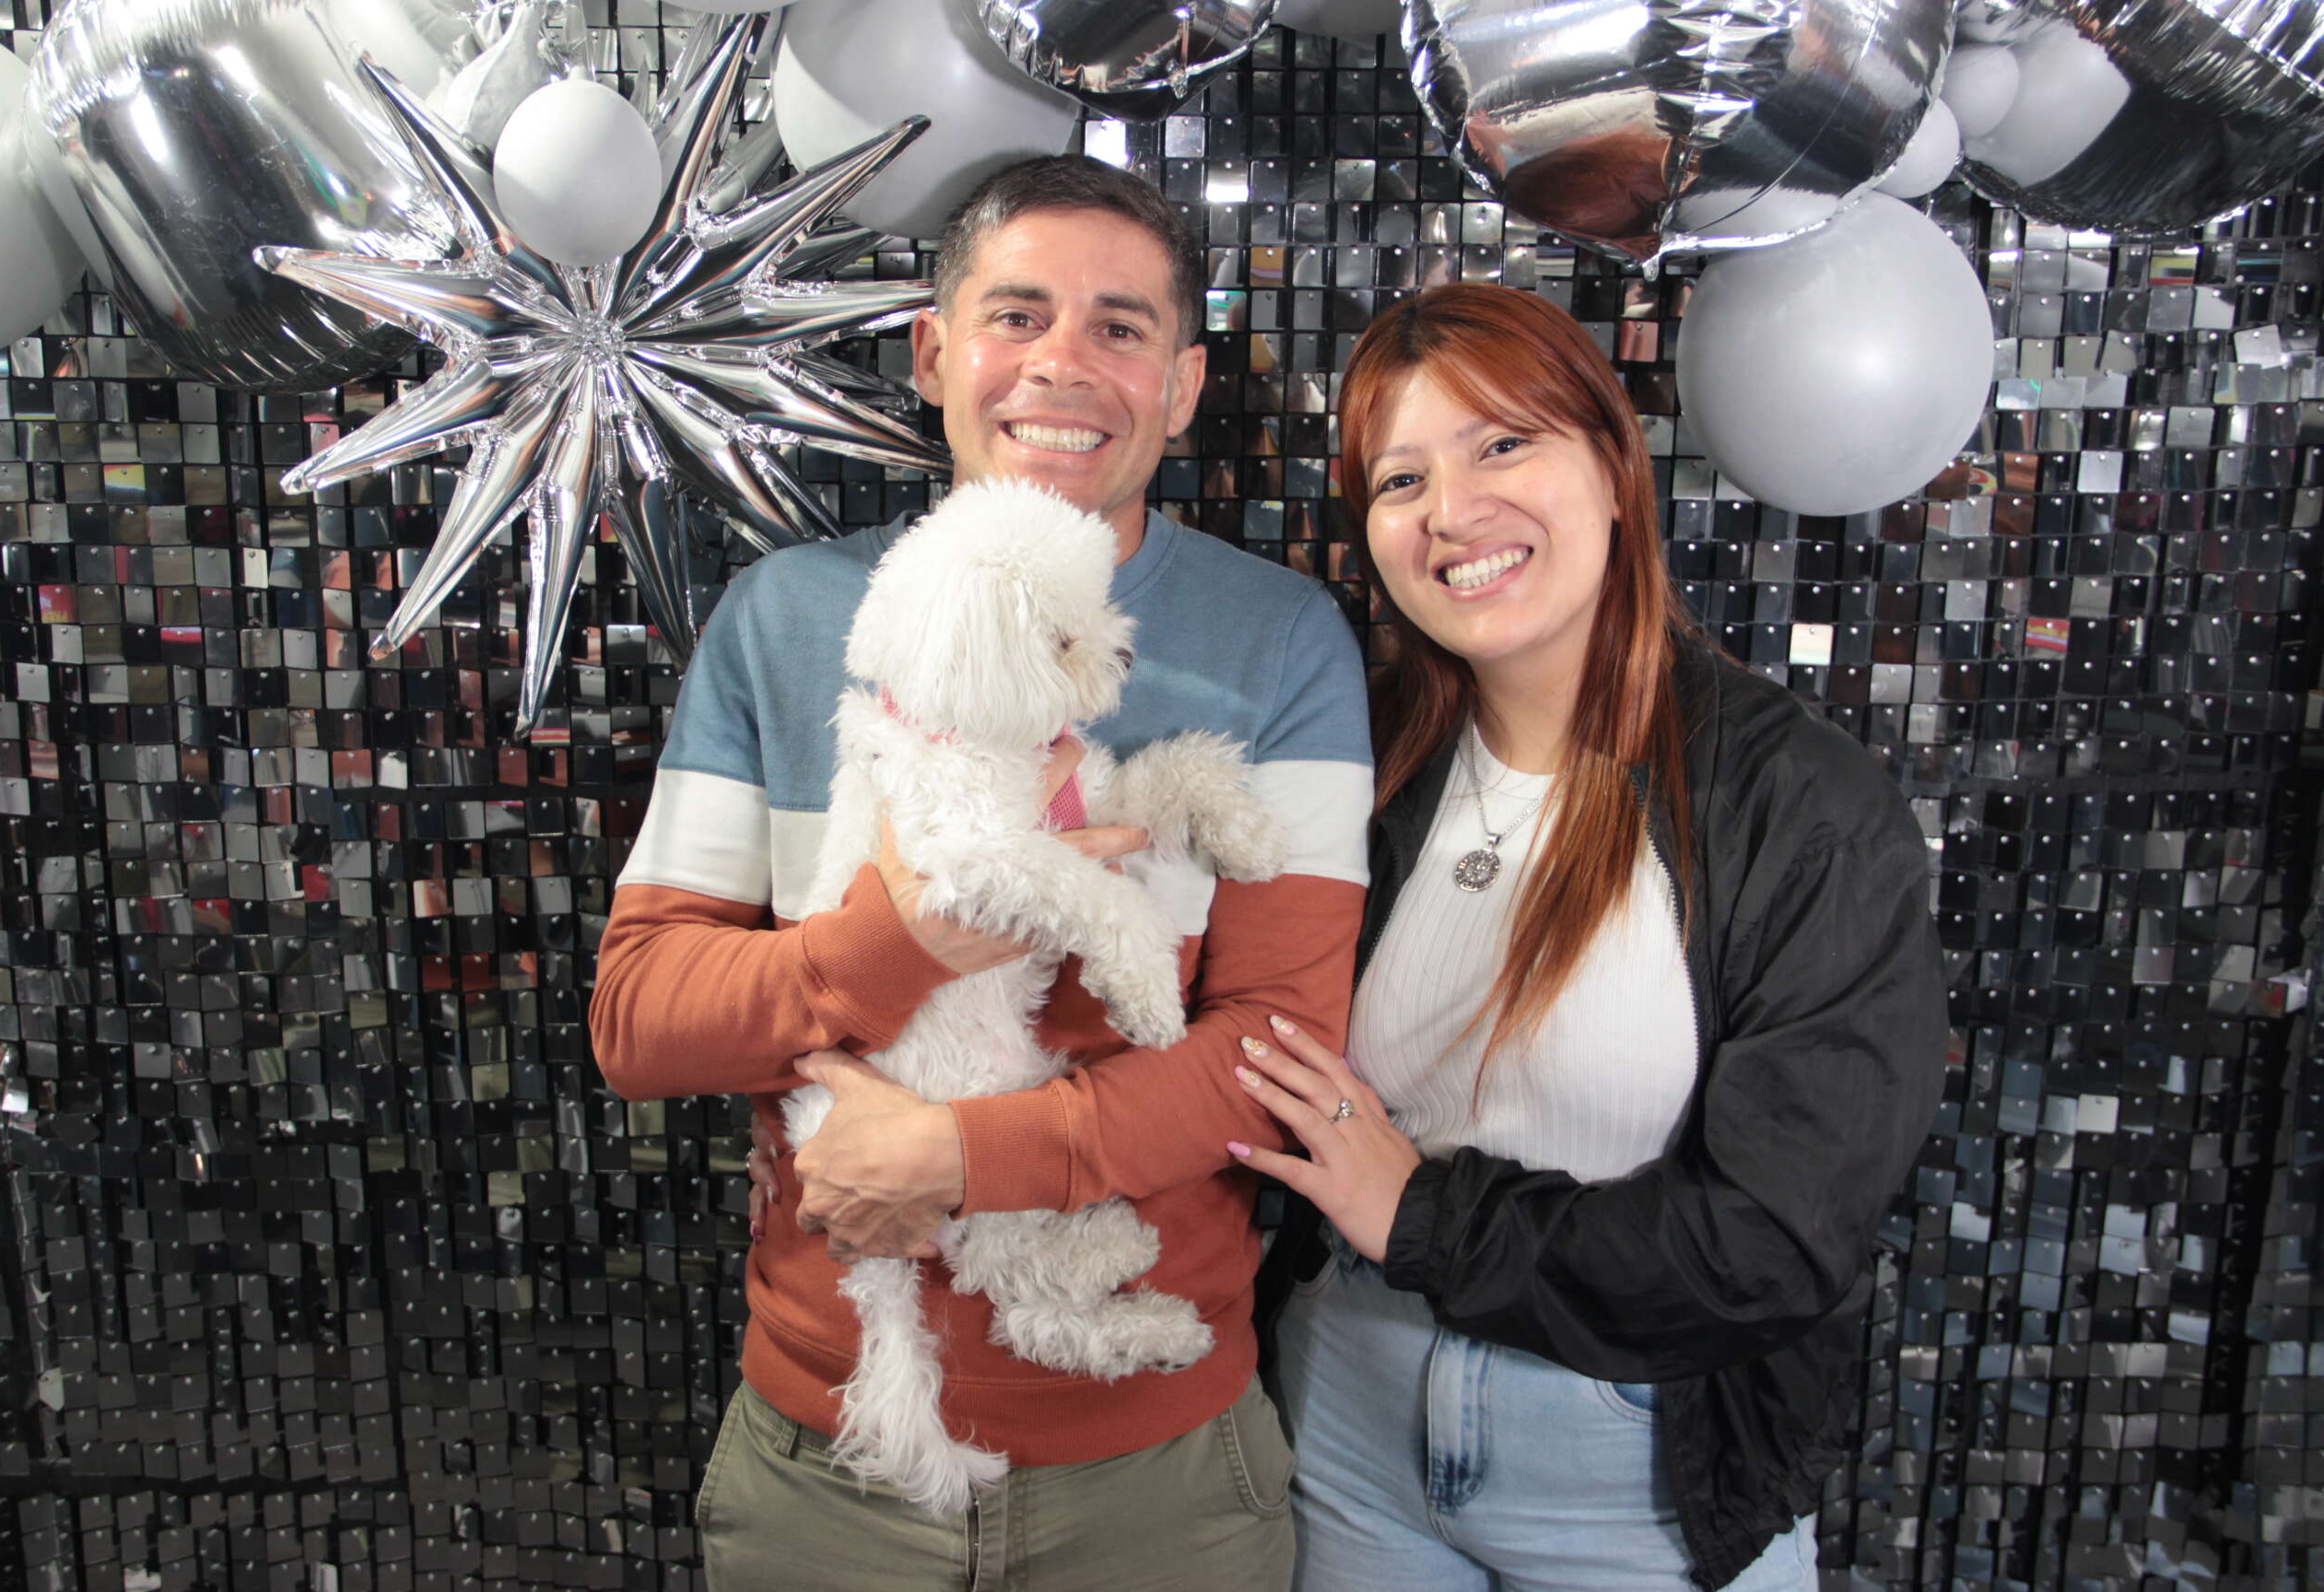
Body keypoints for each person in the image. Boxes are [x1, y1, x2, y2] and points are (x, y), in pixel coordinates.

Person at [588, 155, 1372, 1591]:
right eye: (1017, 315)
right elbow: (640, 1023)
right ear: (934, 352)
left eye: (1120, 327)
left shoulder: (1282, 643)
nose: (1061, 363)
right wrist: (896, 944)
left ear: (1182, 386)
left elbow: (1278, 1054)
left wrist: (951, 1162)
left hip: (1158, 1479)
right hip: (826, 1462)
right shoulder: (784, 621)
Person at [1232, 283, 1947, 1591]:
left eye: (1503, 444)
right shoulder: (1353, 761)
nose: (1453, 512)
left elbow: (1779, 1240)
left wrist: (1425, 1216)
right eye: (1402, 478)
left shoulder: (1803, 807)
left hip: (1643, 1463)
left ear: (1615, 467)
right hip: (1347, 1421)